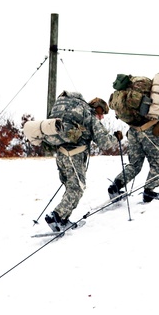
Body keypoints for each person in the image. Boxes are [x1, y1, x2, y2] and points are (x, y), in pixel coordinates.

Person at [44, 94, 120, 232]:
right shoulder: (90, 117)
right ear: (97, 109)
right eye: (102, 112)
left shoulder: (78, 115)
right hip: (74, 156)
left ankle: (63, 220)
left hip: (61, 155)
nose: (102, 117)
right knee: (76, 189)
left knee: (72, 188)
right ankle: (56, 215)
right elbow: (104, 142)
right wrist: (116, 138)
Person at [108, 82, 159, 203]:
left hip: (133, 131)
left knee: (134, 164)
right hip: (150, 131)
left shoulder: (127, 92)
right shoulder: (156, 92)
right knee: (156, 163)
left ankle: (115, 187)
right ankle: (149, 192)